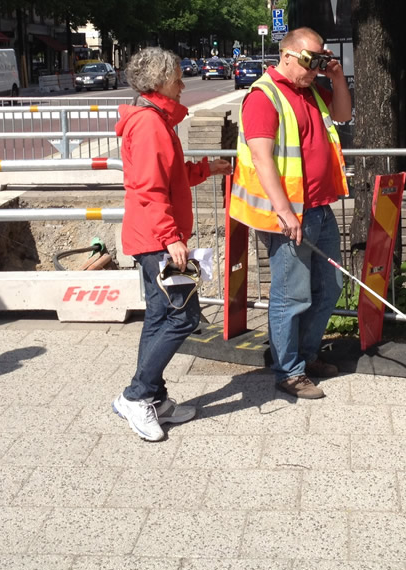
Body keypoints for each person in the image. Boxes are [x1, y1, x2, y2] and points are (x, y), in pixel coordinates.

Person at [111, 48, 231, 441]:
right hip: (156, 240)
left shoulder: (154, 120)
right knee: (183, 317)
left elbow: (167, 176)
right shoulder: (150, 124)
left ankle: (153, 397)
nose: (183, 85)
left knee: (162, 317)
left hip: (151, 238)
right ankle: (137, 396)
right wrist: (172, 237)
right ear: (159, 82)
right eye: (178, 78)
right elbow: (150, 188)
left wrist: (204, 169)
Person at [230, 28, 352, 399]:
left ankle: (307, 355)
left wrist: (336, 76)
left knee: (330, 286)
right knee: (292, 294)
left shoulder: (312, 90)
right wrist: (284, 212)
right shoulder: (263, 97)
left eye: (319, 61)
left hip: (319, 206)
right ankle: (289, 370)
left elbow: (344, 114)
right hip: (289, 215)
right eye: (309, 61)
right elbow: (262, 157)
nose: (314, 68)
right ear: (287, 55)